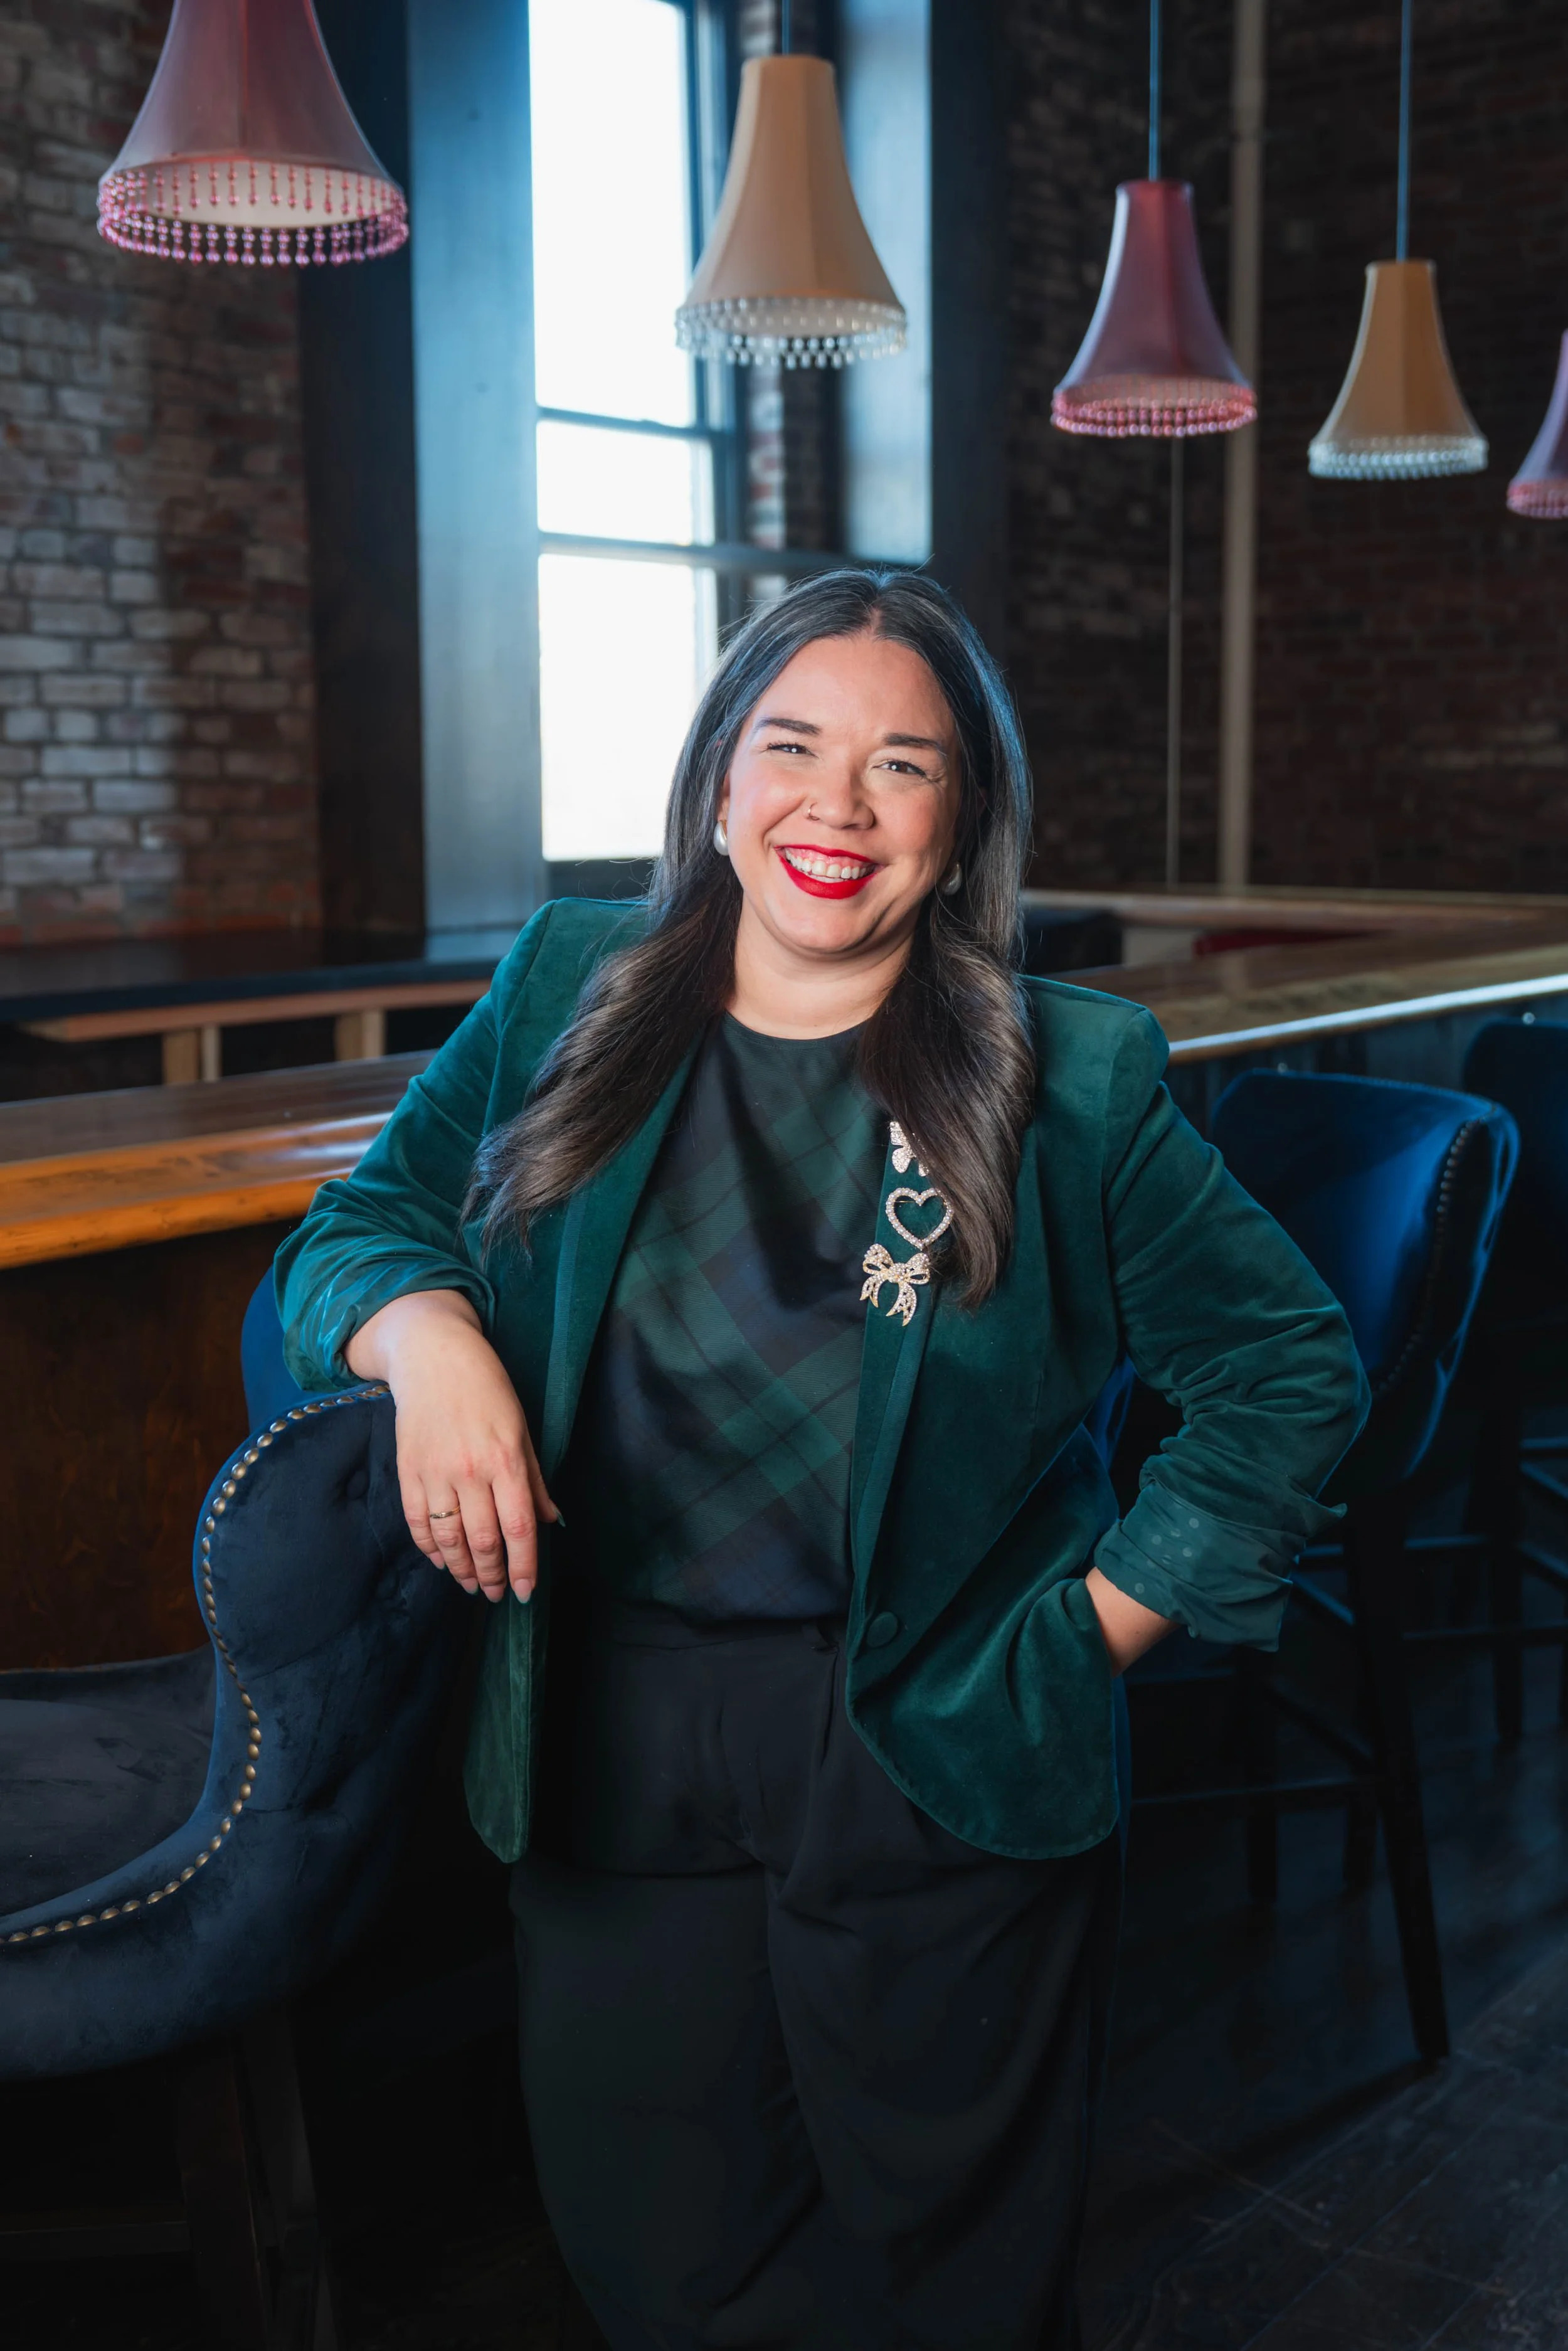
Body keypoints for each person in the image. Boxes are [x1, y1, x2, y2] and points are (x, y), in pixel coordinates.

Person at [275, 569, 1367, 2350]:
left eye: (903, 766)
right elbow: (362, 1222)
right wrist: (429, 1337)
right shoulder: (566, 981)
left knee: (950, 2271)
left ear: (964, 821)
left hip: (929, 1720)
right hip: (607, 1720)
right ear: (718, 780)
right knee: (655, 2253)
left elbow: (1281, 1368)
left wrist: (1089, 1629)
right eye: (790, 745)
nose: (834, 807)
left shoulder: (1065, 1078)